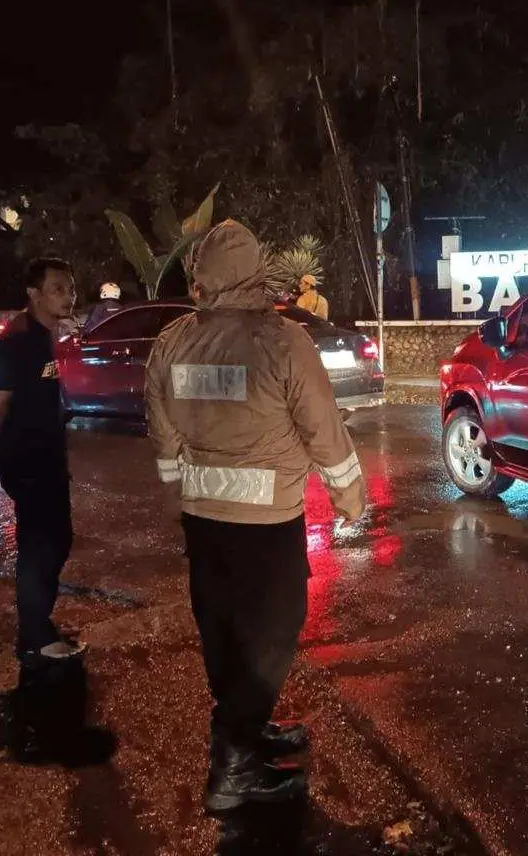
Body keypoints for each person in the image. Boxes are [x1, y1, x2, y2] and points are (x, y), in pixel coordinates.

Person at [145, 221, 365, 810]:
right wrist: (350, 498)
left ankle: (247, 732)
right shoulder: (281, 339)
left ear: (203, 275)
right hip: (265, 521)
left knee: (223, 632)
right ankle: (233, 765)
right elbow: (324, 426)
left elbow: (161, 427)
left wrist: (175, 495)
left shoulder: (171, 340)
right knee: (271, 635)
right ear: (254, 272)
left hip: (202, 517)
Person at [0, 257, 83, 663]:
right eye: (58, 288)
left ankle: (40, 624)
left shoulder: (44, 334)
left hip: (47, 457)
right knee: (40, 545)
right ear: (33, 294)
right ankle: (34, 634)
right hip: (30, 463)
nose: (68, 296)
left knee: (58, 539)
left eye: (70, 288)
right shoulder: (20, 339)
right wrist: (3, 448)